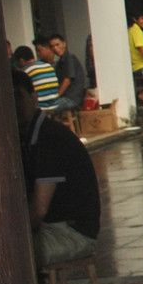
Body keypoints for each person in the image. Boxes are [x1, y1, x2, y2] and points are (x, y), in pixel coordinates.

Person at [13, 68, 101, 270]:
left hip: (73, 233)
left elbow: (39, 209)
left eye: (18, 96)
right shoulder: (28, 137)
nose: (15, 105)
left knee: (10, 254)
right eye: (8, 98)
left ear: (34, 98)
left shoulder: (49, 138)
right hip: (53, 228)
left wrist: (11, 234)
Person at [45, 33, 88, 113]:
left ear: (64, 44)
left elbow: (67, 81)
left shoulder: (69, 58)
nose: (55, 48)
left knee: (46, 108)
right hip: (65, 98)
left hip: (72, 99)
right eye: (52, 46)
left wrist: (56, 96)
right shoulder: (59, 62)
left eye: (57, 44)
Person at [15, 45, 62, 112]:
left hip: (41, 109)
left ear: (21, 60)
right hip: (56, 105)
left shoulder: (25, 72)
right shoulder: (48, 65)